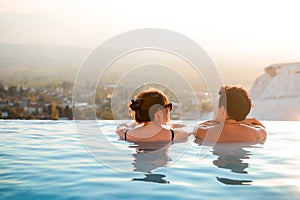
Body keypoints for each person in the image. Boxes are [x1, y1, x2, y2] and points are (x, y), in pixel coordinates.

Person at [193, 86, 267, 143]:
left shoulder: (206, 132)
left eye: (217, 106)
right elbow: (262, 128)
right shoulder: (258, 133)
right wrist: (242, 121)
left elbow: (196, 129)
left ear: (222, 110)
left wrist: (214, 122)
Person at [116, 88, 189, 142]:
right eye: (167, 107)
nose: (168, 111)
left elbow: (121, 127)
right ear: (159, 112)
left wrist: (136, 123)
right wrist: (172, 125)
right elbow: (187, 129)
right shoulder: (172, 135)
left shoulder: (126, 134)